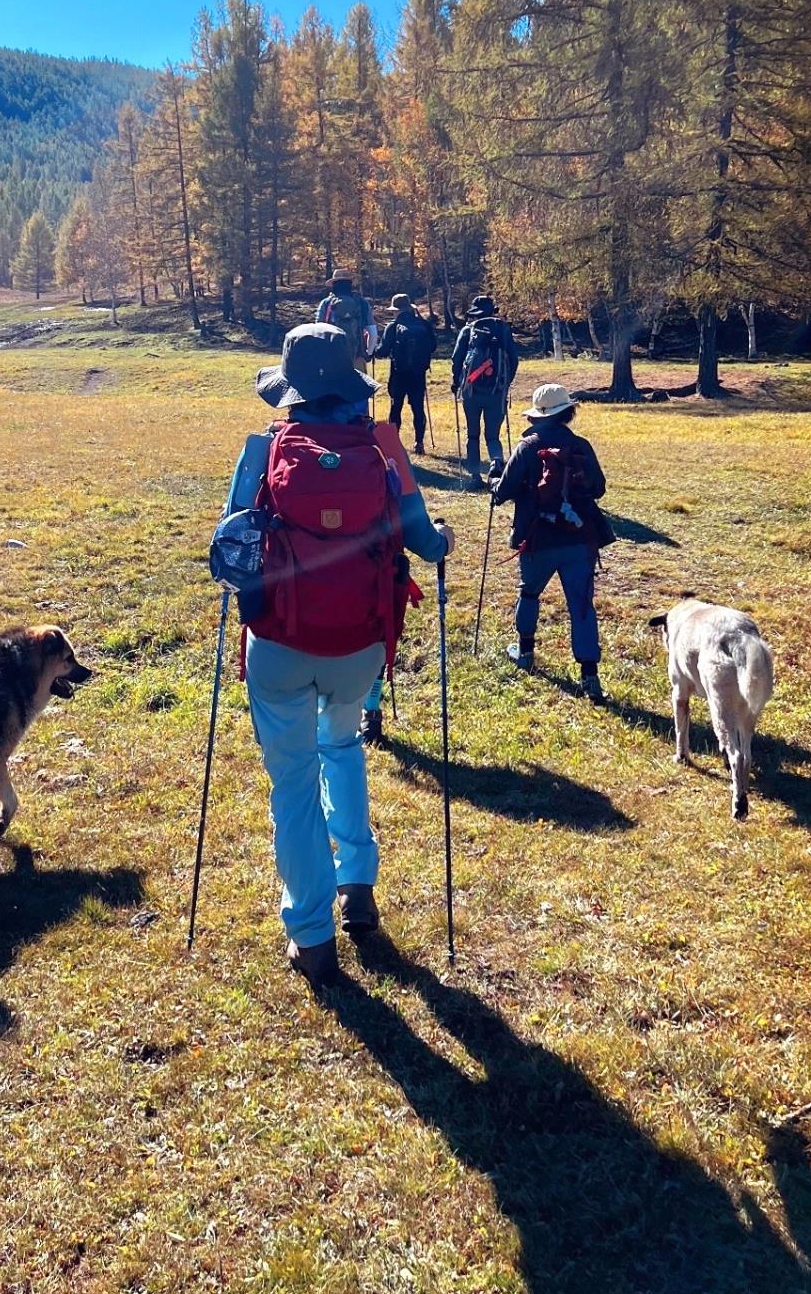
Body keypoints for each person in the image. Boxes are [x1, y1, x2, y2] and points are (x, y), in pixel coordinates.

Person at [214, 323, 454, 987]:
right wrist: (443, 538)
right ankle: (358, 887)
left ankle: (313, 936)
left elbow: (229, 544)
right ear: (351, 383)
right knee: (342, 747)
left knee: (293, 784)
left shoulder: (263, 450)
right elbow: (425, 542)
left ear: (288, 389)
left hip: (279, 643)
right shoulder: (383, 449)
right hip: (359, 644)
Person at [492, 382, 614, 702]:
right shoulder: (581, 445)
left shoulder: (527, 446)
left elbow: (502, 492)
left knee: (529, 593)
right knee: (581, 605)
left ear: (537, 415)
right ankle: (590, 678)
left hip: (538, 539)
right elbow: (599, 488)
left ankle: (525, 653)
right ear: (567, 412)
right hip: (579, 538)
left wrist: (495, 481)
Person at [451, 296, 519, 489]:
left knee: (473, 434)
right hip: (497, 392)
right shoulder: (503, 330)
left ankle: (474, 476)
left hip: (471, 390)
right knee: (493, 435)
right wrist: (505, 383)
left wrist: (456, 382)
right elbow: (514, 360)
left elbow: (456, 359)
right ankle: (496, 464)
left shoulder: (468, 330)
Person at [377, 294, 436, 455]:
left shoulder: (393, 326)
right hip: (418, 373)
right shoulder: (423, 324)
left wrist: (372, 349)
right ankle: (419, 443)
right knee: (418, 407)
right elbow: (433, 347)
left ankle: (393, 444)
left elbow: (382, 351)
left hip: (398, 374)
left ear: (396, 310)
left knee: (396, 407)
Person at [316, 272, 378, 373]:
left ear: (333, 285)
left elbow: (318, 332)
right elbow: (373, 333)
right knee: (357, 383)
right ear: (350, 284)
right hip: (357, 357)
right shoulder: (361, 303)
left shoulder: (326, 303)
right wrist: (368, 353)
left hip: (331, 359)